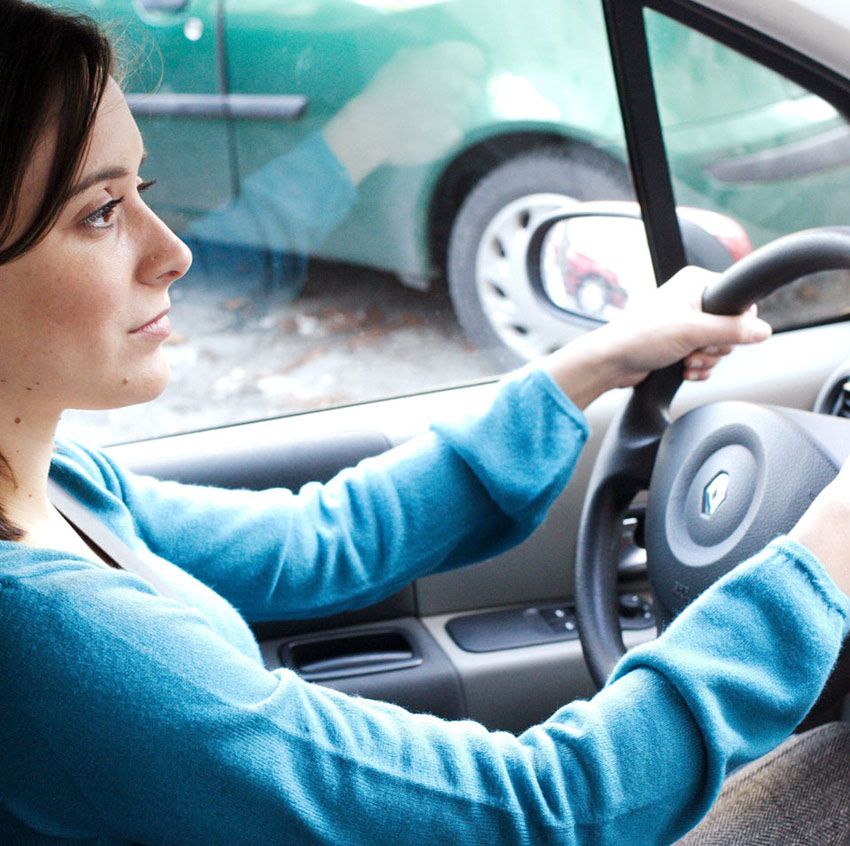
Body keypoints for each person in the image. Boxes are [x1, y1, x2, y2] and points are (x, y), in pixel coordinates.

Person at [0, 2, 848, 844]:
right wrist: (825, 556)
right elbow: (545, 809)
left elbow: (320, 543)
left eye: (141, 189)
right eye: (100, 212)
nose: (175, 252)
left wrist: (596, 361)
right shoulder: (53, 641)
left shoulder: (58, 481)